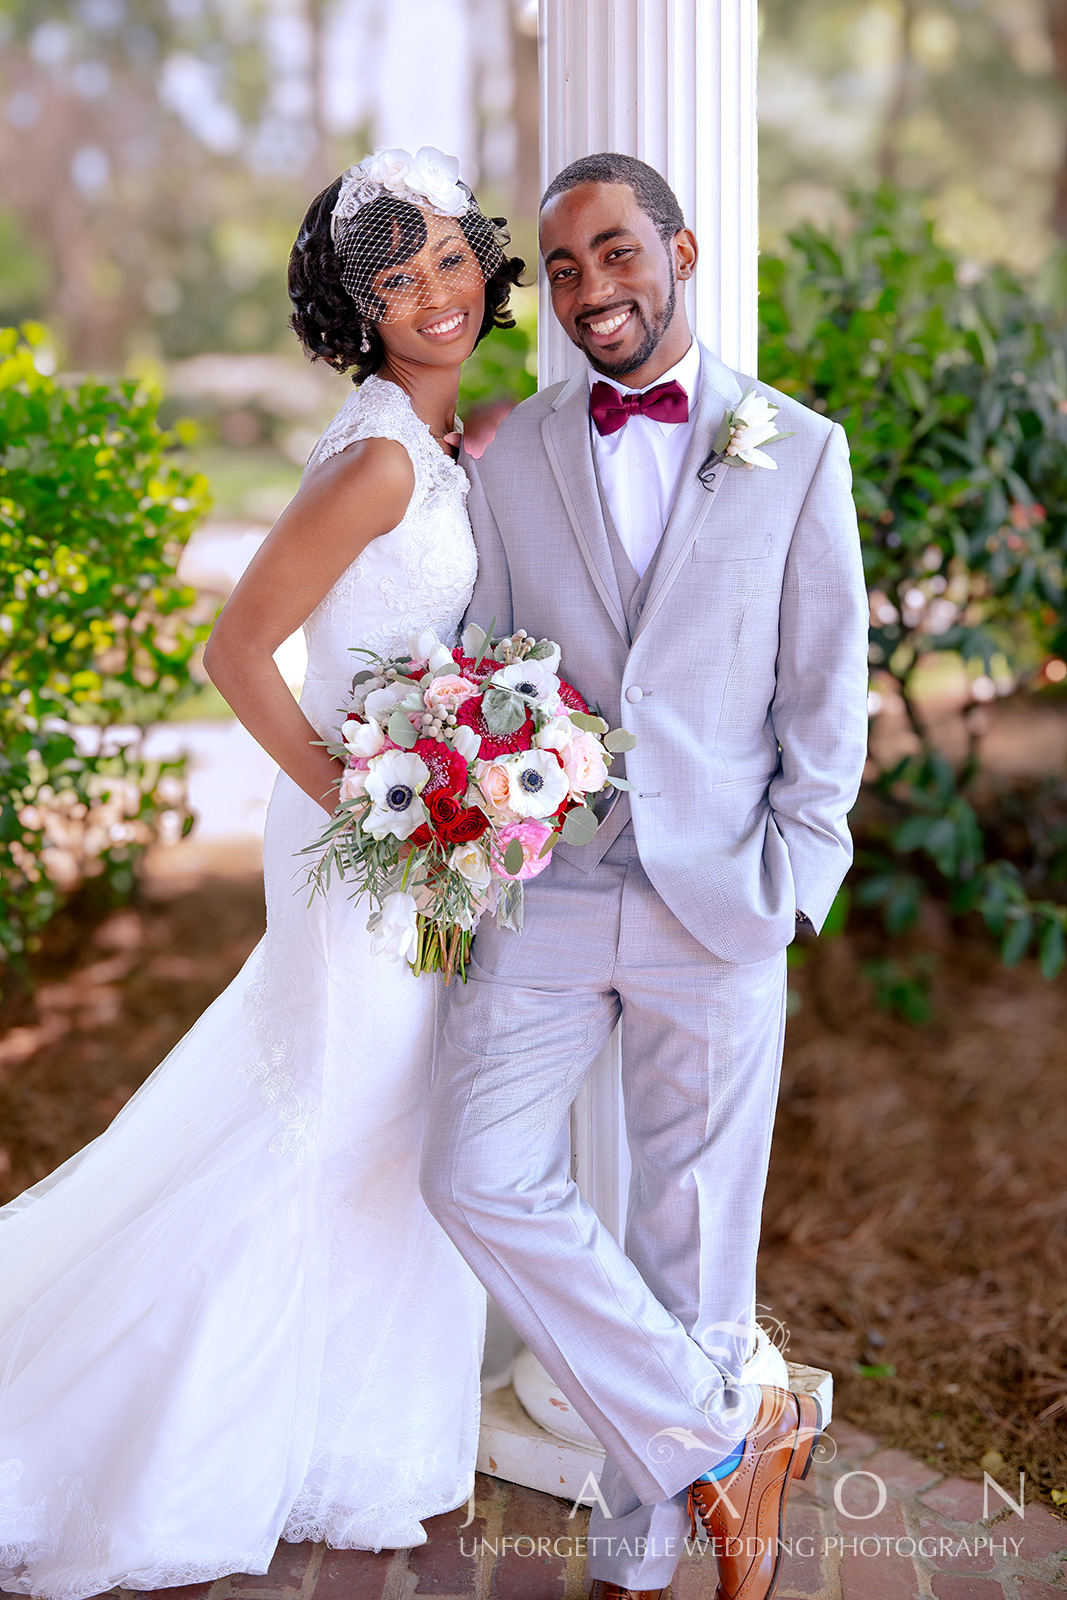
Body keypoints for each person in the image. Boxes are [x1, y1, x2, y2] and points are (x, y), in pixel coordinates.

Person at [0, 146, 524, 1600]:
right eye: (393, 276)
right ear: (354, 306)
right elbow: (235, 653)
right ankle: (186, 1445)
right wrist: (378, 806)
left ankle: (349, 1435)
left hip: (422, 829)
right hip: (369, 834)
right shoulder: (375, 460)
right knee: (336, 1118)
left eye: (446, 257)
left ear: (484, 258)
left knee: (385, 1128)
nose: (431, 292)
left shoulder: (440, 437)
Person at [420, 152, 870, 1600]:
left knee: (693, 1232)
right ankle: (731, 1435)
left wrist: (795, 878)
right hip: (548, 885)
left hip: (724, 893)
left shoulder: (796, 450)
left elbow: (830, 699)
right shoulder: (520, 453)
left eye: (614, 253)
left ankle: (639, 1556)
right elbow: (490, 652)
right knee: (476, 1174)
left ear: (676, 250)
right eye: (559, 269)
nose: (589, 290)